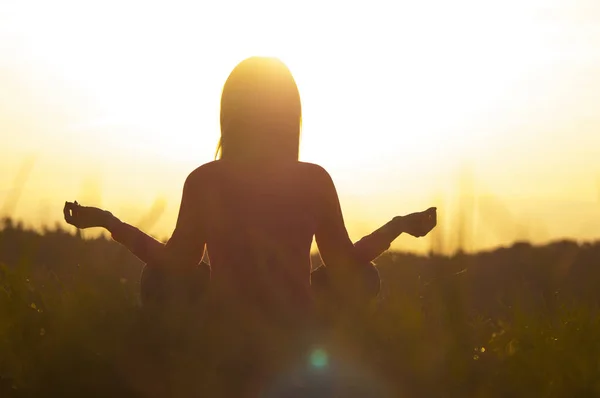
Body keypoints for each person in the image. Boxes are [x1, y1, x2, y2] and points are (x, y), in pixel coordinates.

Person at [63, 56, 437, 396]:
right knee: (365, 276)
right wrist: (396, 226)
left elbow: (176, 263)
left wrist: (109, 222)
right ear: (290, 115)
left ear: (230, 113)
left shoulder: (204, 180)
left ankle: (175, 356)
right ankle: (332, 353)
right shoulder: (313, 180)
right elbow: (344, 264)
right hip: (296, 330)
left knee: (156, 278)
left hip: (223, 332)